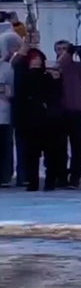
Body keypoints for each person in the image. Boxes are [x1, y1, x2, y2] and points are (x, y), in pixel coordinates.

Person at [11, 42, 65, 191]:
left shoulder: (47, 77)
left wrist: (57, 79)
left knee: (50, 153)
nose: (36, 60)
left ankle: (50, 181)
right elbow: (17, 68)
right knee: (31, 154)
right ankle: (32, 181)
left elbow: (56, 95)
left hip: (48, 121)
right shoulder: (22, 77)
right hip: (30, 121)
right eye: (33, 58)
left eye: (38, 58)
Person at [53, 39, 81, 188]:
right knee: (59, 147)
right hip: (60, 111)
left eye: (66, 49)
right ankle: (61, 176)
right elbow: (60, 66)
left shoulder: (77, 67)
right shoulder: (54, 66)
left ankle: (75, 176)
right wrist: (68, 54)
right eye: (59, 49)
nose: (63, 52)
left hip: (76, 110)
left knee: (77, 146)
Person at [0, 29, 19, 187]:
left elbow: (12, 89)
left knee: (5, 145)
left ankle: (5, 175)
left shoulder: (7, 68)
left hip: (4, 112)